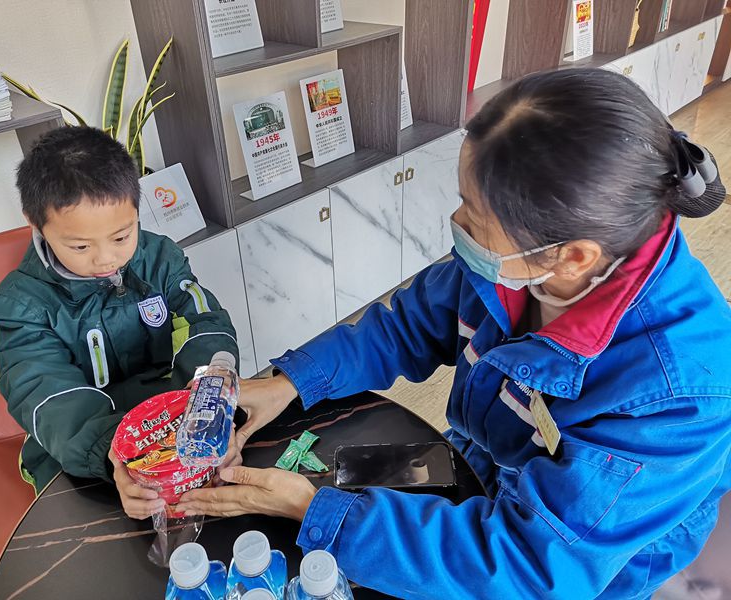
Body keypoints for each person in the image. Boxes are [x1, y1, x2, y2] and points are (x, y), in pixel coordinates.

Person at [174, 68, 731, 598]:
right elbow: (408, 324)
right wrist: (291, 383)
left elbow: (532, 568)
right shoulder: (519, 265)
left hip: (589, 559)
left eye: (475, 217)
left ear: (573, 257)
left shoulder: (677, 394)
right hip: (490, 459)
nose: (458, 227)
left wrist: (313, 510)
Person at [0, 126, 241, 518]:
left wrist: (210, 387)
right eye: (80, 246)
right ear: (36, 224)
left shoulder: (159, 259)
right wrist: (120, 457)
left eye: (122, 237)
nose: (106, 259)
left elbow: (203, 319)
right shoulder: (22, 305)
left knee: (222, 500)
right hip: (87, 446)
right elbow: (47, 395)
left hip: (172, 414)